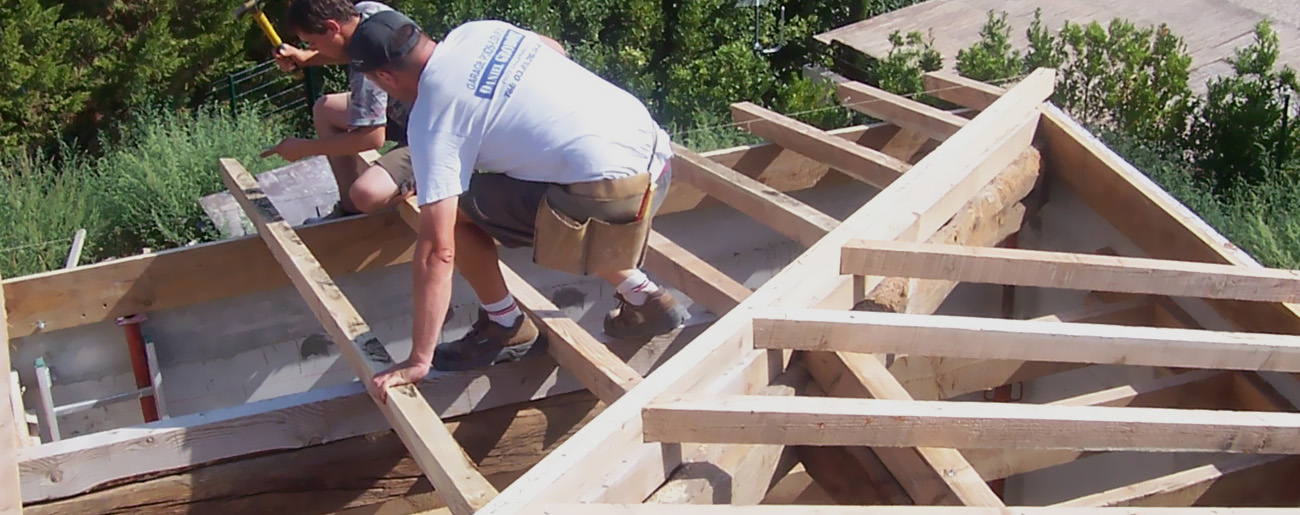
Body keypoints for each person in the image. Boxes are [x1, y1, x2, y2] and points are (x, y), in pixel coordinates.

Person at [345, 11, 691, 402]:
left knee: (450, 211)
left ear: (385, 78)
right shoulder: (478, 32)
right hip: (659, 166)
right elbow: (554, 49)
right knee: (556, 174)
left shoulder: (433, 116)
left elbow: (437, 252)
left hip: (611, 202)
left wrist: (418, 359)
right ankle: (644, 298)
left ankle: (504, 322)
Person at [261, 0, 416, 224]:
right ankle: (350, 211)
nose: (313, 48)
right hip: (408, 112)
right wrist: (305, 58)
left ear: (332, 27)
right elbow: (344, 49)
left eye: (313, 42)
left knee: (366, 193)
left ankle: (420, 187)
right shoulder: (367, 11)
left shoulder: (367, 68)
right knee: (326, 109)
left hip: (431, 135)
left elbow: (371, 138)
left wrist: (304, 148)